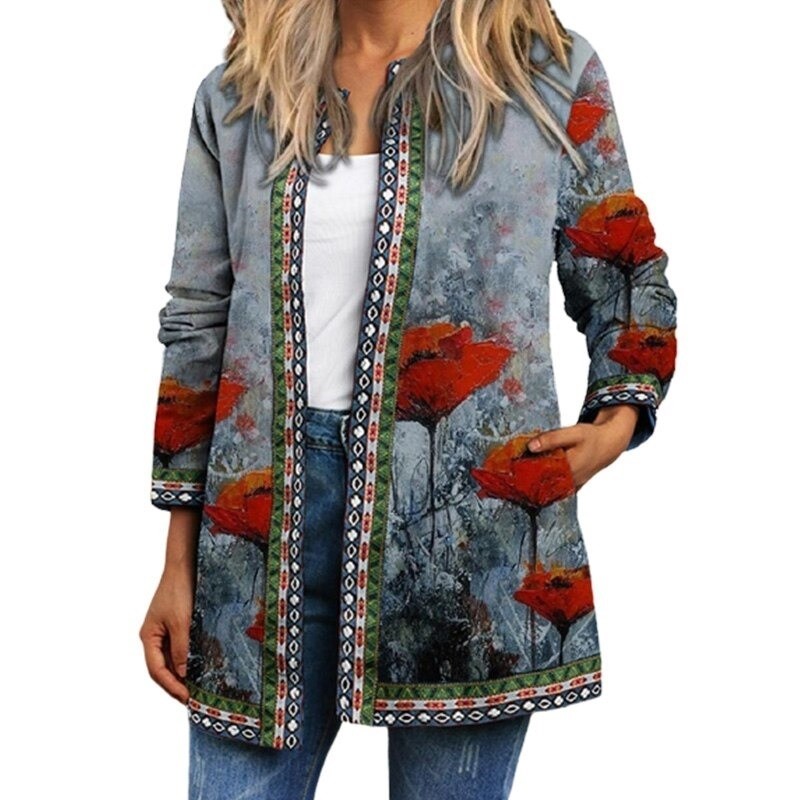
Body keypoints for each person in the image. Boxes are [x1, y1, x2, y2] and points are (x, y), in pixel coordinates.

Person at [140, 0, 678, 798]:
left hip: (462, 537)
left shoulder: (544, 75)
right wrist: (178, 561)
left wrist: (615, 422)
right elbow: (198, 323)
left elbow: (626, 272)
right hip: (260, 532)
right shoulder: (242, 93)